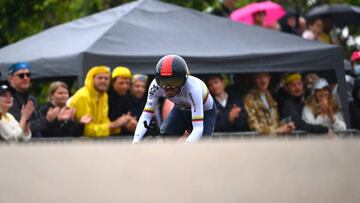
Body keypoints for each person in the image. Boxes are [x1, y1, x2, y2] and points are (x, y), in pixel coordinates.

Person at [133, 55, 216, 143]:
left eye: (174, 82)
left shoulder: (193, 89)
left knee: (201, 146)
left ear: (184, 80)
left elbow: (198, 128)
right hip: (180, 109)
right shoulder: (155, 86)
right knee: (163, 140)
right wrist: (135, 141)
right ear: (158, 80)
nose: (169, 87)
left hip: (205, 111)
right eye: (164, 83)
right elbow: (146, 116)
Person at [68, 66, 132, 137]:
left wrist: (122, 123)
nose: (103, 81)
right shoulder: (83, 96)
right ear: (91, 79)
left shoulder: (104, 96)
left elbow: (105, 122)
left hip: (97, 141)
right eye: (100, 78)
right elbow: (87, 129)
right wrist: (114, 125)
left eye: (106, 78)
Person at [8, 62, 57, 137]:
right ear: (11, 79)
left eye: (28, 75)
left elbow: (40, 126)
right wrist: (47, 119)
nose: (25, 78)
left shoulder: (31, 98)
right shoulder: (8, 99)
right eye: (21, 75)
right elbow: (19, 128)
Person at [108, 66, 137, 134]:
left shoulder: (127, 96)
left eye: (127, 83)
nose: (124, 86)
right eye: (121, 83)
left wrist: (132, 122)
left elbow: (130, 115)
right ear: (113, 83)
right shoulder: (106, 96)